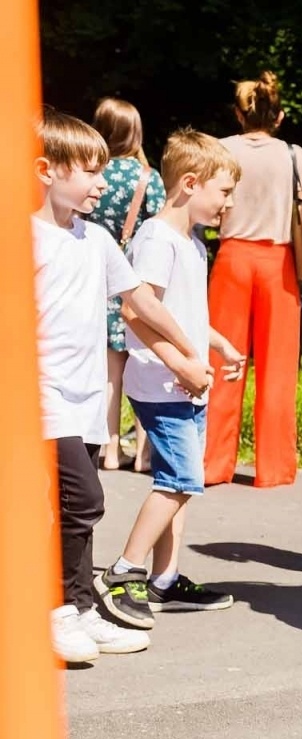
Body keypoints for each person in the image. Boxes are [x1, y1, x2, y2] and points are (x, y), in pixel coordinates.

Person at [34, 110, 202, 662]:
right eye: (90, 171)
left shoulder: (95, 238)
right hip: (41, 398)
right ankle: (58, 613)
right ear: (46, 170)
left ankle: (79, 607)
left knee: (72, 510)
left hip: (84, 398)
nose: (103, 184)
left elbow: (140, 301)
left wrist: (185, 354)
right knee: (82, 499)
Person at [96, 130, 245, 630]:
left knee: (178, 482)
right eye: (224, 191)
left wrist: (218, 344)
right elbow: (136, 313)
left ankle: (164, 579)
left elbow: (182, 312)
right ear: (189, 183)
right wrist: (182, 362)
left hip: (186, 383)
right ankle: (125, 570)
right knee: (181, 481)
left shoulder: (191, 242)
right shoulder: (157, 239)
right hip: (163, 385)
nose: (229, 203)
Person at [206, 71, 302, 489]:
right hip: (278, 261)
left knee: (223, 360)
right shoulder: (293, 154)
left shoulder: (220, 149)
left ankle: (212, 462)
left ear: (239, 114)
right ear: (279, 116)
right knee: (278, 367)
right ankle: (274, 468)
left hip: (232, 257)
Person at [86, 97, 166, 473]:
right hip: (135, 282)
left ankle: (110, 449)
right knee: (142, 367)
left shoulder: (91, 173)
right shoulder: (146, 178)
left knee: (109, 374)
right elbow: (160, 226)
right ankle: (144, 454)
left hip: (97, 279)